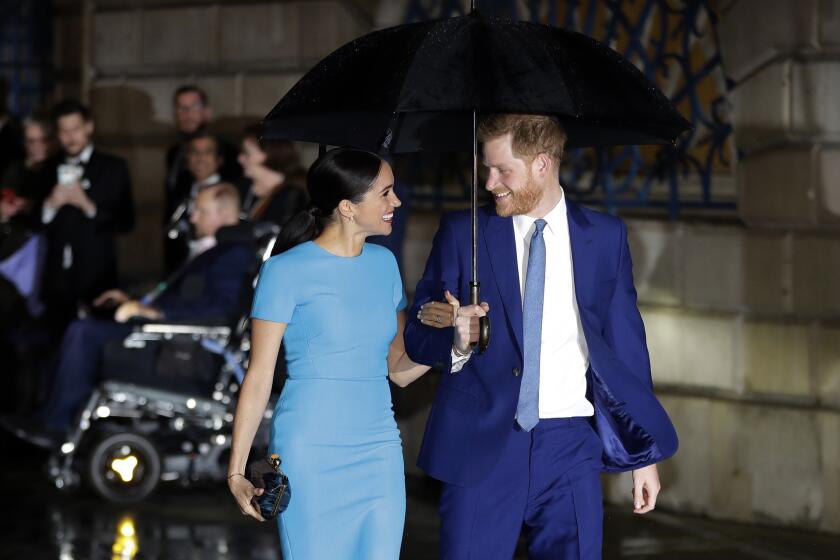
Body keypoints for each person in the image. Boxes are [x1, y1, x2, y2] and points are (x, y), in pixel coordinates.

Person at [407, 114, 678, 559]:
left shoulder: (605, 237)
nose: (490, 182)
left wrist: (643, 453)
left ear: (542, 164)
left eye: (502, 170)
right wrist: (456, 341)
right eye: (486, 168)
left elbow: (626, 345)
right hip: (481, 445)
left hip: (571, 445)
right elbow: (419, 333)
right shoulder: (463, 233)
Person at [226, 148, 463, 559]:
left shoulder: (384, 264)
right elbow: (259, 376)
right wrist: (237, 470)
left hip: (378, 448)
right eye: (386, 194)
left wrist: (456, 342)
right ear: (348, 207)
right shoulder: (284, 271)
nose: (397, 203)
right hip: (309, 448)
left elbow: (400, 370)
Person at [24, 182, 254, 435]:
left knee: (83, 332)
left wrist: (156, 313)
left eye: (201, 211)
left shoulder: (233, 253)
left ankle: (56, 424)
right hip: (160, 329)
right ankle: (50, 416)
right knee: (79, 322)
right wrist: (132, 300)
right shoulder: (216, 250)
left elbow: (221, 307)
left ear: (224, 214)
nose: (193, 217)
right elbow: (182, 296)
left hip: (178, 346)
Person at [38, 99, 135, 331]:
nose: (70, 137)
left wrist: (88, 205)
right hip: (57, 281)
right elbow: (35, 223)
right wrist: (51, 205)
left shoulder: (113, 167)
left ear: (89, 127)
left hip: (98, 277)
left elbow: (126, 221)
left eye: (76, 129)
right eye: (64, 131)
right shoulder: (46, 169)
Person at [165, 130, 225, 271]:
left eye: (207, 152)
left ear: (219, 159)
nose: (200, 158)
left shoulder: (227, 194)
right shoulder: (179, 191)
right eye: (194, 152)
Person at [237, 124, 308, 228]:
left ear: (268, 154)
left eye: (247, 153)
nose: (239, 159)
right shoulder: (243, 185)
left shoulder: (291, 196)